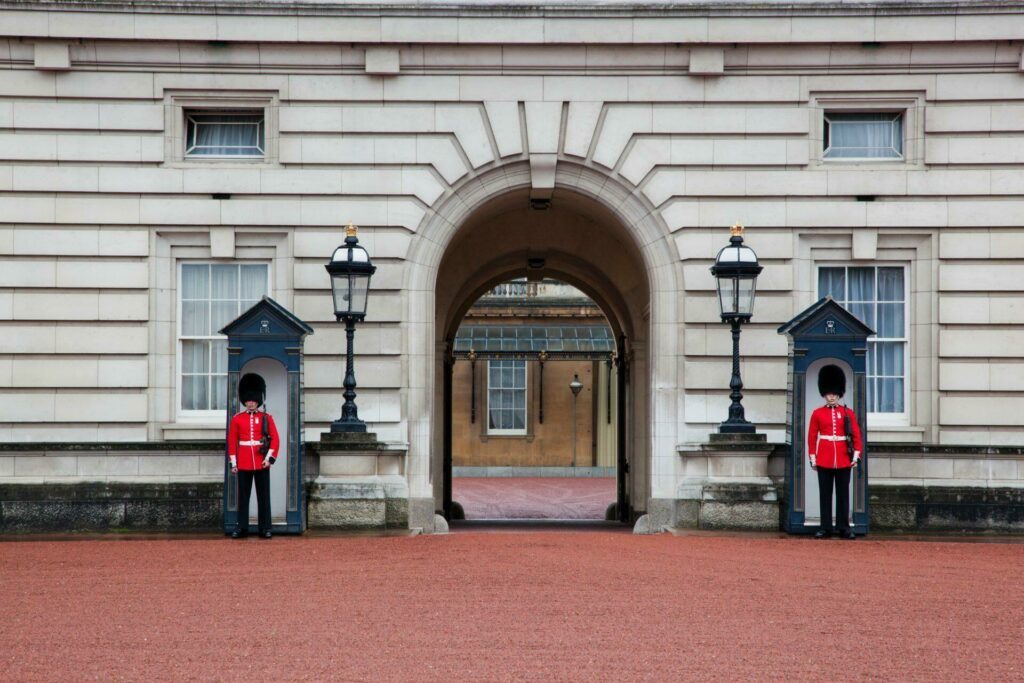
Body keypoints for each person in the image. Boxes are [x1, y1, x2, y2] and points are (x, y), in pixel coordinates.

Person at [807, 364, 863, 540]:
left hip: (843, 458)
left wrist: (855, 456)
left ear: (839, 393)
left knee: (843, 495)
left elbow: (856, 435)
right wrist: (813, 458)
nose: (831, 396)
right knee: (825, 495)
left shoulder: (848, 413)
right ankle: (825, 527)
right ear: (824, 394)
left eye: (834, 393)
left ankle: (844, 527)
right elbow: (811, 437)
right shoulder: (817, 413)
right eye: (828, 393)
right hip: (824, 458)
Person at [227, 373, 280, 539]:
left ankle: (265, 528)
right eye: (248, 400)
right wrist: (233, 463)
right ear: (244, 400)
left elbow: (275, 439)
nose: (250, 403)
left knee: (263, 497)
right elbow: (232, 441)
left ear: (258, 400)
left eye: (253, 399)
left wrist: (269, 458)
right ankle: (242, 527)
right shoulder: (237, 419)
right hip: (243, 462)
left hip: (261, 462)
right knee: (243, 497)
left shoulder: (266, 418)